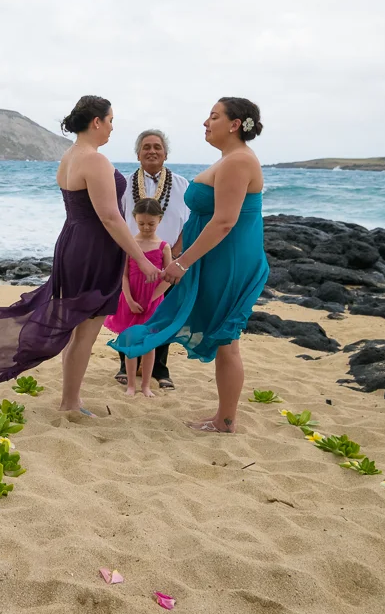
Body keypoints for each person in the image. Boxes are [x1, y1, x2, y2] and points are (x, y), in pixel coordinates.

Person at [0, 95, 158, 414]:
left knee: (80, 327)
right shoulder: (94, 159)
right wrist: (141, 258)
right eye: (110, 121)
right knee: (86, 331)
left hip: (73, 241)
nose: (111, 128)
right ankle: (69, 403)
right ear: (96, 122)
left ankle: (72, 399)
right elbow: (110, 216)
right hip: (93, 247)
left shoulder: (70, 156)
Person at [108, 97, 269, 433]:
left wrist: (181, 263)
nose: (206, 123)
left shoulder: (238, 161)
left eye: (213, 117)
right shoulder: (229, 160)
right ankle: (223, 417)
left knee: (228, 339)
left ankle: (225, 420)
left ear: (235, 124)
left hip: (229, 260)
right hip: (216, 258)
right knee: (225, 339)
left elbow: (225, 222)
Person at [114, 129, 189, 389]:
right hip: (132, 258)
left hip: (166, 261)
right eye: (146, 147)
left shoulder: (181, 184)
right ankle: (125, 364)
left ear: (165, 153)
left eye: (157, 147)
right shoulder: (124, 183)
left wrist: (177, 254)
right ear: (138, 154)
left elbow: (187, 223)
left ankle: (160, 368)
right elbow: (117, 221)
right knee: (128, 314)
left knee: (162, 316)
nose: (152, 151)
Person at [104, 198, 173, 398]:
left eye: (151, 223)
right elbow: (123, 275)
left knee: (149, 345)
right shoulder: (130, 244)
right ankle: (131, 385)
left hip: (153, 302)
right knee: (131, 344)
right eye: (141, 223)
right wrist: (129, 299)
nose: (146, 227)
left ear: (159, 220)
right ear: (134, 219)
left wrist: (153, 298)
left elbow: (168, 278)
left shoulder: (163, 247)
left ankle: (146, 386)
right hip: (130, 300)